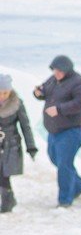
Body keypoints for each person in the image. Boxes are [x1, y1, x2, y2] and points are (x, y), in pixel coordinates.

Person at [33, 55, 81, 207]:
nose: (56, 73)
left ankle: (65, 200)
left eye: (59, 71)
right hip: (54, 130)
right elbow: (44, 90)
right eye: (54, 70)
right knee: (55, 159)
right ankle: (80, 186)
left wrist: (60, 109)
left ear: (68, 70)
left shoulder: (79, 83)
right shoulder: (53, 80)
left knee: (64, 164)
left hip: (71, 130)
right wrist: (38, 93)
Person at [0, 75, 37, 214]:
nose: (2, 96)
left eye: (5, 92)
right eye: (0, 92)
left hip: (11, 145)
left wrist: (31, 146)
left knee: (4, 173)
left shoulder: (16, 103)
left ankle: (7, 202)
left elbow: (25, 126)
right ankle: (9, 199)